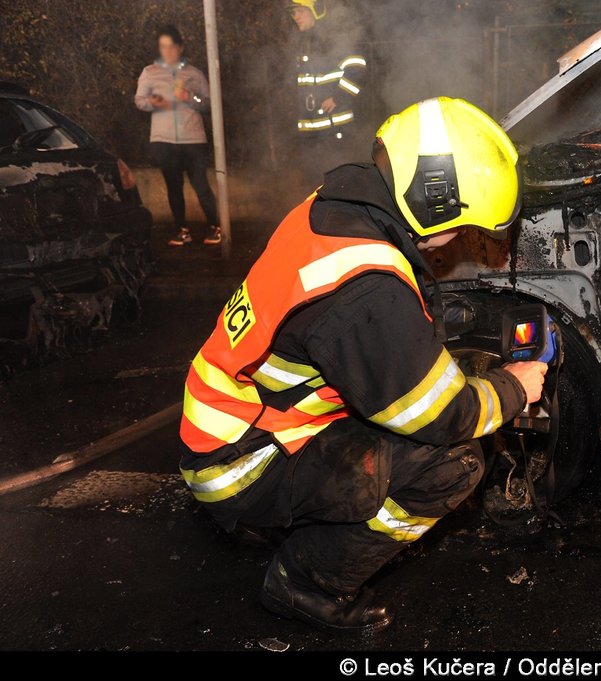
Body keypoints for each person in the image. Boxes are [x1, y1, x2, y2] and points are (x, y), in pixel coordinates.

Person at [178, 97, 544, 633]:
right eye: (464, 227)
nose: (464, 242)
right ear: (436, 202)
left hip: (234, 421)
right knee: (454, 463)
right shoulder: (365, 290)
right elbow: (443, 414)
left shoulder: (334, 206)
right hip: (240, 461)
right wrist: (512, 387)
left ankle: (298, 522)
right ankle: (307, 579)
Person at [135, 25, 221, 247]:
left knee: (200, 184)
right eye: (163, 47)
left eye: (172, 47)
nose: (168, 52)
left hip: (193, 138)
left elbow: (210, 103)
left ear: (180, 48)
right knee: (173, 186)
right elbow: (139, 101)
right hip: (163, 140)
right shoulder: (150, 72)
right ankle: (182, 230)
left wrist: (190, 98)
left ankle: (216, 226)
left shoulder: (194, 74)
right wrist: (153, 102)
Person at [287, 1, 367, 162]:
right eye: (293, 13)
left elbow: (357, 65)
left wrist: (339, 97)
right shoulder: (303, 43)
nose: (296, 17)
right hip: (311, 132)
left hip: (335, 130)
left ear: (316, 11)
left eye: (301, 11)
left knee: (339, 180)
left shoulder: (331, 39)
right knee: (315, 182)